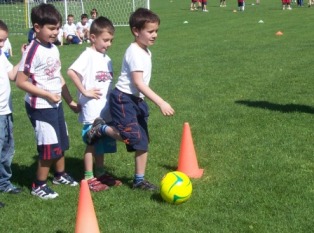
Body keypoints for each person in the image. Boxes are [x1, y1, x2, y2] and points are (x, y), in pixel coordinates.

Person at [87, 8, 175, 191]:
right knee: (132, 137)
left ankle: (139, 180)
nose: (155, 35)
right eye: (150, 31)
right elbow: (138, 83)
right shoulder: (134, 52)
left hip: (136, 100)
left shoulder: (145, 51)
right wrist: (161, 102)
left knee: (143, 140)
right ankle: (101, 128)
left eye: (156, 31)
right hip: (123, 99)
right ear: (136, 31)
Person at [16, 3, 80, 200]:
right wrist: (46, 95)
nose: (55, 32)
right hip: (40, 106)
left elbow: (57, 76)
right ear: (37, 27)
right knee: (48, 146)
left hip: (56, 103)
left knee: (60, 141)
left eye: (57, 28)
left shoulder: (53, 48)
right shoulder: (33, 50)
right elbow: (20, 81)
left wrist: (69, 101)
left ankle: (60, 175)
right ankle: (39, 184)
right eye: (51, 28)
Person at [67, 16, 122, 192]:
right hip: (91, 110)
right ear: (92, 37)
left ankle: (100, 172)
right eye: (105, 40)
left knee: (101, 143)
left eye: (111, 40)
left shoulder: (107, 58)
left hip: (104, 111)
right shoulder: (87, 55)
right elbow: (71, 72)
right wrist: (84, 91)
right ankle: (89, 177)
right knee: (91, 142)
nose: (109, 44)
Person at [0, 19, 24, 207]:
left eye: (4, 40)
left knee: (7, 149)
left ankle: (4, 183)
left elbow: (12, 75)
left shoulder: (1, 55)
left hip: (6, 111)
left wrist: (23, 58)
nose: (2, 44)